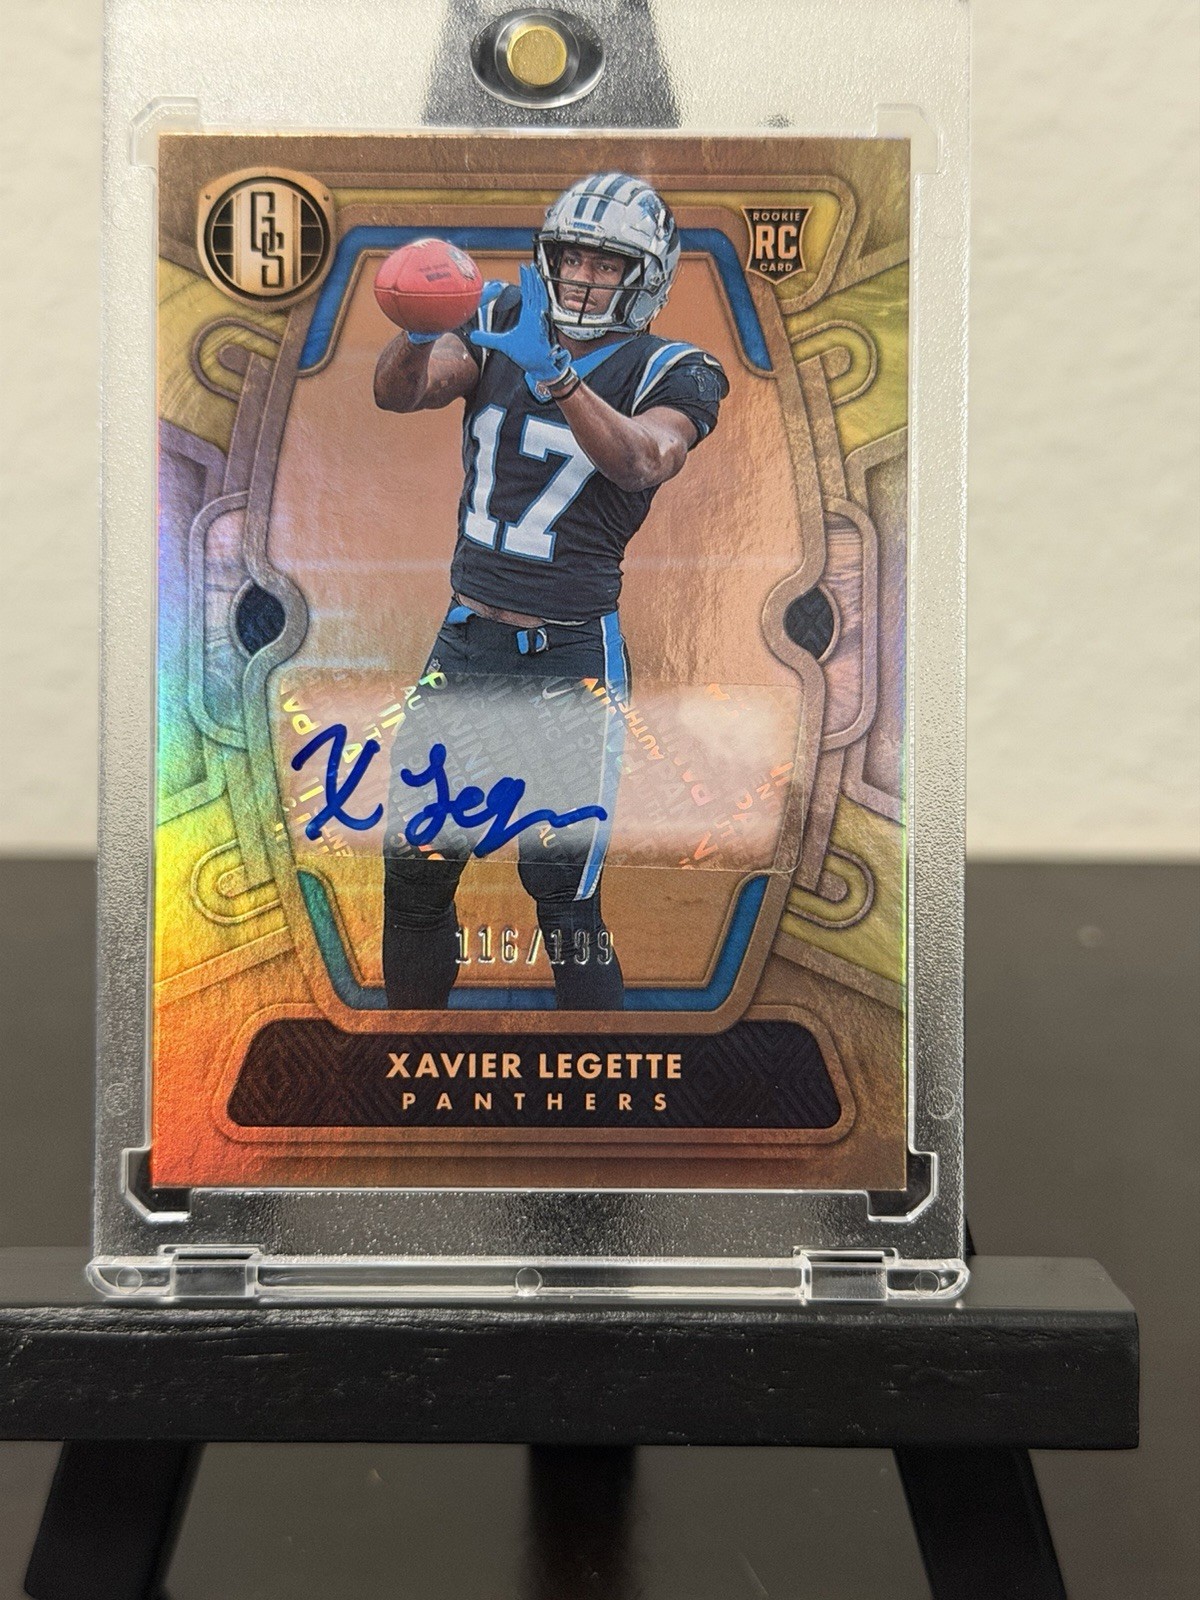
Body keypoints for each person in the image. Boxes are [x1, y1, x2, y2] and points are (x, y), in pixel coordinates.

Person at [374, 172, 728, 1011]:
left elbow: (644, 460)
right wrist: (419, 331)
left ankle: (598, 1083)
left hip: (570, 655)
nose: (580, 277)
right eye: (570, 257)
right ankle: (406, 1062)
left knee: (564, 900)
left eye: (605, 264)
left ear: (645, 278)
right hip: (466, 643)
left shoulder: (678, 369)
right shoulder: (505, 317)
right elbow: (401, 393)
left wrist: (561, 379)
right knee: (414, 874)